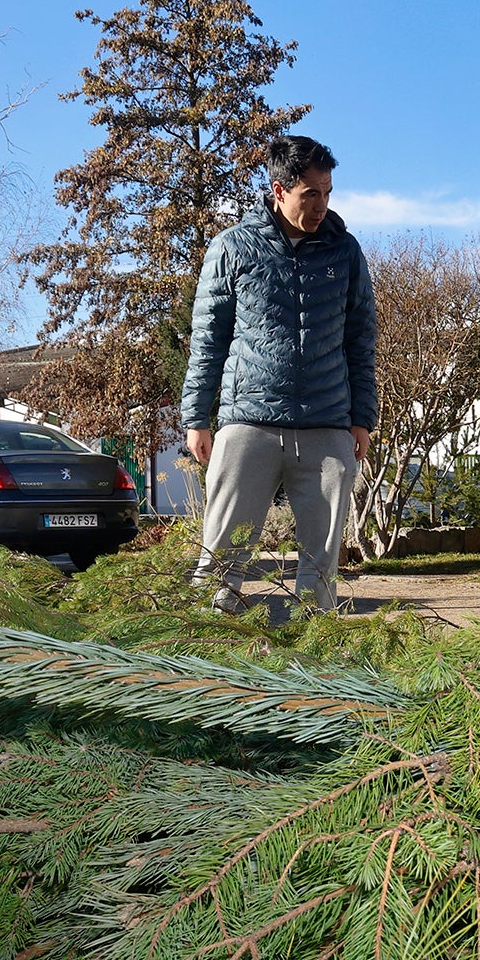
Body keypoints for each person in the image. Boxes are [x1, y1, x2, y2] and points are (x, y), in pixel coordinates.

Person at [180, 133, 376, 614]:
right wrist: (196, 417)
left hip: (328, 423)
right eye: (311, 193)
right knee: (219, 564)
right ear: (279, 190)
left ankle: (314, 660)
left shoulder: (345, 253)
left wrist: (362, 418)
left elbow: (360, 341)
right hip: (249, 419)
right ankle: (203, 650)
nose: (322, 205)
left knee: (321, 568)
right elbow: (209, 338)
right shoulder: (233, 248)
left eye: (328, 192)